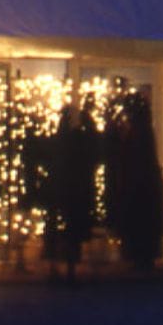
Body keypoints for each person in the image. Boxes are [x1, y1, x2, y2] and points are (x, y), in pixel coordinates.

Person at [108, 90, 163, 272]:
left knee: (139, 223)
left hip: (139, 186)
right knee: (142, 224)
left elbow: (133, 157)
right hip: (143, 185)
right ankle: (143, 258)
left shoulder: (139, 132)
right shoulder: (143, 130)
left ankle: (142, 258)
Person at [45, 100, 98, 285]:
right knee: (72, 231)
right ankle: (70, 268)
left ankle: (55, 267)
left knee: (58, 229)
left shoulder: (56, 140)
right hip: (75, 191)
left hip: (59, 190)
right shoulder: (78, 139)